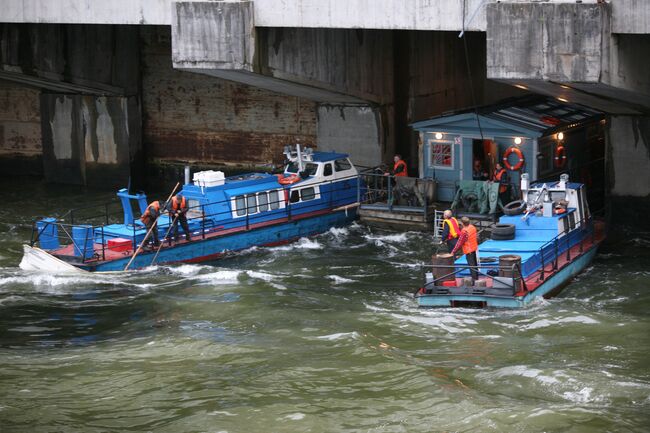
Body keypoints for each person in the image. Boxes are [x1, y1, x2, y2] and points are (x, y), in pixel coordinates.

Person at [451, 217, 479, 281]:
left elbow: (459, 242)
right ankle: (476, 278)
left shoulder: (464, 231)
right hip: (474, 248)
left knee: (472, 266)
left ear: (462, 223)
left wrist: (453, 251)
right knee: (475, 264)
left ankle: (474, 280)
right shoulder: (472, 227)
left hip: (469, 250)